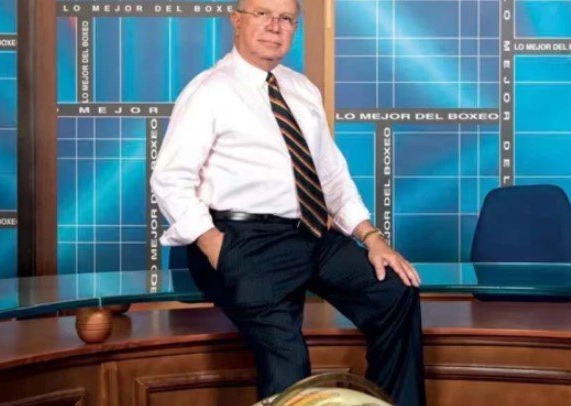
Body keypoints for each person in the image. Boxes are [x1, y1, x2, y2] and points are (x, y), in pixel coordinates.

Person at [150, 0, 426, 404]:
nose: (274, 26)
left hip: (307, 234)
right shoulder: (209, 90)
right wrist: (216, 246)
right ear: (237, 21)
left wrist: (372, 238)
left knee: (395, 292)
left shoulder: (301, 89)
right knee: (288, 359)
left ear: (294, 29)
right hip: (239, 238)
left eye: (285, 19)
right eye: (262, 14)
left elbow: (332, 177)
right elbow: (170, 179)